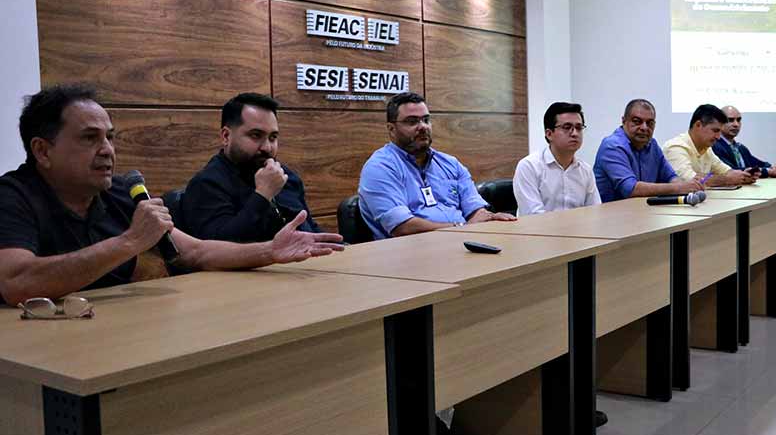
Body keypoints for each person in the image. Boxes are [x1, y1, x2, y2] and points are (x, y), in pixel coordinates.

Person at [0, 84, 344, 305]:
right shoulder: (12, 196)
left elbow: (194, 251)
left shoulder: (120, 192)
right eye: (90, 138)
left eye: (110, 137)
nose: (107, 150)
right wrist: (129, 242)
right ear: (43, 151)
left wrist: (269, 250)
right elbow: (16, 282)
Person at [358, 92, 515, 240]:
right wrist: (461, 227)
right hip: (407, 255)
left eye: (426, 120)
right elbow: (402, 227)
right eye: (412, 122)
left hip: (462, 245)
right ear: (391, 129)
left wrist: (487, 218)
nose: (423, 127)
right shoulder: (380, 168)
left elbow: (476, 210)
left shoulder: (451, 164)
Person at [180, 93, 319, 243]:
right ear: (226, 136)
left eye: (273, 137)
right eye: (255, 135)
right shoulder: (206, 184)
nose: (267, 147)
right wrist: (263, 195)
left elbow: (310, 230)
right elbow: (220, 249)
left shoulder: (285, 177)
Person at [593, 99, 704, 202]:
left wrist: (689, 187)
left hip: (643, 214)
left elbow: (670, 177)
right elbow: (631, 189)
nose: (644, 127)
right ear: (623, 121)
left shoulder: (652, 145)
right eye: (637, 121)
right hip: (613, 217)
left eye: (650, 123)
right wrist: (679, 187)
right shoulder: (612, 146)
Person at [513, 102, 600, 214]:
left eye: (579, 127)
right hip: (539, 230)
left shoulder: (585, 170)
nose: (575, 133)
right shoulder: (529, 167)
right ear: (549, 134)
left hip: (578, 230)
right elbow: (533, 216)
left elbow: (594, 211)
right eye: (567, 127)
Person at [662, 104, 757, 187]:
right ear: (698, 125)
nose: (718, 137)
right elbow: (689, 181)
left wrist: (743, 176)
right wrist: (727, 180)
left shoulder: (706, 148)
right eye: (715, 131)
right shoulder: (675, 147)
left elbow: (726, 171)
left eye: (720, 132)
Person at [713, 106, 776, 178]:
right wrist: (767, 171)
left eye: (738, 120)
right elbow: (731, 170)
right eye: (730, 120)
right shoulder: (715, 146)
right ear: (720, 123)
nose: (736, 124)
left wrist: (773, 168)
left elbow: (757, 163)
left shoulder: (740, 148)